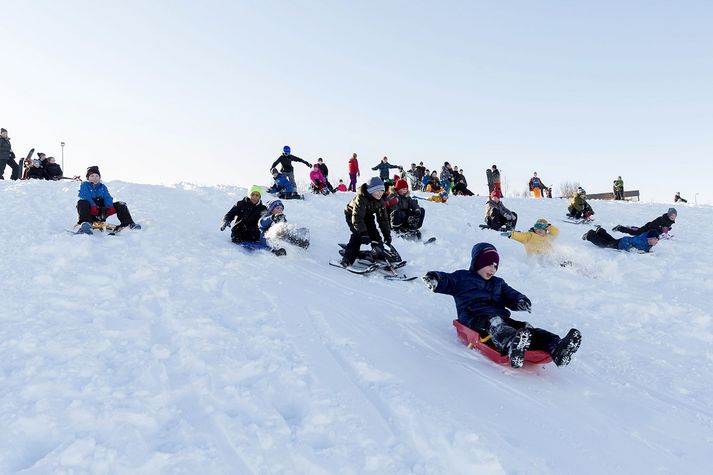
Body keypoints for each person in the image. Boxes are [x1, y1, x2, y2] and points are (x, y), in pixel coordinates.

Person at [421, 243, 582, 368]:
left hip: (500, 317)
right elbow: (447, 280)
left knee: (526, 328)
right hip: (474, 317)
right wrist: (435, 278)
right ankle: (513, 345)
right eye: (488, 264)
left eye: (495, 266)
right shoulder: (462, 278)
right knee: (495, 323)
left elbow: (510, 294)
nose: (493, 269)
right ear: (477, 262)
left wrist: (520, 300)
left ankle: (556, 347)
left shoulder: (498, 283)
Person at [337, 177, 397, 268]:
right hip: (352, 215)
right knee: (357, 235)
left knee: (375, 235)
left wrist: (387, 234)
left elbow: (383, 219)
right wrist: (363, 233)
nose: (380, 193)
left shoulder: (380, 201)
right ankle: (347, 259)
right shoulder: (361, 198)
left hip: (367, 215)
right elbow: (356, 217)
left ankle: (378, 254)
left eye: (382, 191)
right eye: (377, 191)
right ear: (370, 190)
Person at [76, 166, 141, 234]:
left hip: (101, 211)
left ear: (99, 177)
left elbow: (107, 197)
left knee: (121, 204)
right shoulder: (84, 185)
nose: (94, 178)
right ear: (88, 178)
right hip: (90, 211)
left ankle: (128, 223)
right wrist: (92, 205)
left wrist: (110, 206)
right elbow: (85, 195)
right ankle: (85, 224)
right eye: (92, 176)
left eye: (97, 176)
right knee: (82, 202)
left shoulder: (102, 187)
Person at [221, 185, 284, 255]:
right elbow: (230, 214)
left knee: (264, 231)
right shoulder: (240, 204)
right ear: (248, 194)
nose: (254, 197)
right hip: (239, 232)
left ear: (260, 196)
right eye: (252, 194)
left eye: (257, 195)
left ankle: (275, 248)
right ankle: (271, 250)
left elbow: (266, 219)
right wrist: (226, 220)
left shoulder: (263, 209)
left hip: (254, 234)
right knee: (240, 237)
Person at [584, 227, 660, 253]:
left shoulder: (649, 243)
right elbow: (627, 241)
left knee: (610, 240)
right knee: (604, 244)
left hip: (622, 242)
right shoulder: (640, 241)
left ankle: (600, 231)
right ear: (650, 238)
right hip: (621, 244)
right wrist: (630, 248)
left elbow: (644, 247)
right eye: (655, 239)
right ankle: (590, 235)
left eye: (657, 240)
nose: (657, 242)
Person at [612, 208, 677, 236]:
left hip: (652, 231)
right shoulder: (662, 219)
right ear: (669, 214)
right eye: (672, 215)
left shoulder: (670, 221)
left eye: (675, 216)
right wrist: (661, 228)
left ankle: (631, 227)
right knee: (636, 234)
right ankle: (620, 228)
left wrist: (667, 229)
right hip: (648, 228)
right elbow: (653, 225)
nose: (673, 217)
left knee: (638, 230)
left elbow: (665, 228)